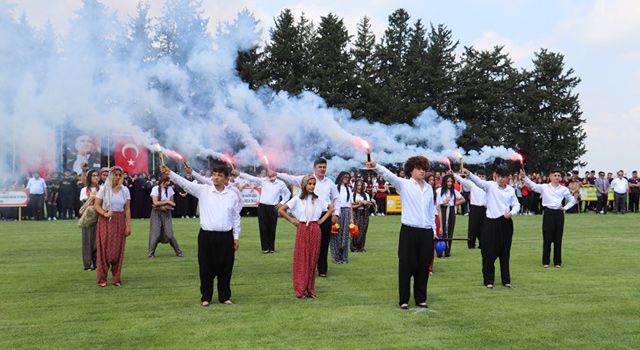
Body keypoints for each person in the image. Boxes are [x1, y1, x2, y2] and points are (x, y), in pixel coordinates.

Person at [161, 164, 240, 307]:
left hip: (226, 237)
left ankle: (224, 296)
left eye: (220, 175)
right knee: (205, 267)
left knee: (226, 268)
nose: (216, 177)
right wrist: (170, 173)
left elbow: (236, 217)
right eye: (214, 174)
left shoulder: (232, 195)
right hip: (206, 236)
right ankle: (206, 296)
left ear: (227, 179)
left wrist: (236, 236)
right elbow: (184, 184)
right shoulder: (203, 190)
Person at [366, 157, 436, 309]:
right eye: (419, 168)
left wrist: (434, 231)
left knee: (424, 266)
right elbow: (388, 175)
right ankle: (404, 299)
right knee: (406, 265)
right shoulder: (404, 184)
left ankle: (421, 298)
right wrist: (376, 165)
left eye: (424, 168)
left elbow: (432, 211)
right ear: (411, 170)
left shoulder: (429, 188)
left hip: (426, 232)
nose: (422, 171)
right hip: (409, 231)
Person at [278, 158, 339, 277]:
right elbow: (290, 178)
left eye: (324, 167)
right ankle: (308, 268)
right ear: (314, 168)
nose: (322, 169)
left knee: (324, 243)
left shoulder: (330, 182)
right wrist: (278, 174)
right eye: (320, 167)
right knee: (307, 245)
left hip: (324, 214)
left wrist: (336, 213)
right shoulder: (306, 179)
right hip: (308, 215)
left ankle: (322, 269)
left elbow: (336, 199)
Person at [463, 166, 520, 289]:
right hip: (491, 223)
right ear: (495, 177)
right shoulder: (490, 185)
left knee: (505, 253)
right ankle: (489, 280)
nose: (501, 179)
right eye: (498, 176)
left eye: (503, 177)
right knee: (488, 253)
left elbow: (516, 204)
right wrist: (469, 174)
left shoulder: (510, 190)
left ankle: (506, 280)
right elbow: (479, 182)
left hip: (506, 222)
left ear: (507, 178)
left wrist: (512, 213)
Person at [278, 176, 333, 298]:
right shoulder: (297, 199)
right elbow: (281, 210)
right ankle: (300, 289)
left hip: (315, 228)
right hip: (303, 228)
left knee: (313, 260)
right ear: (304, 185)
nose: (312, 186)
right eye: (309, 184)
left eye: (313, 184)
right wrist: (293, 221)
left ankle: (309, 289)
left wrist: (322, 220)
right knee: (302, 259)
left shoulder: (317, 199)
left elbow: (330, 208)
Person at [522, 169, 576, 268]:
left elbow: (572, 200)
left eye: (559, 175)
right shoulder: (544, 187)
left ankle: (557, 262)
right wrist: (525, 177)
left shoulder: (564, 189)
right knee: (547, 238)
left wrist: (565, 208)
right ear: (550, 177)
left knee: (558, 238)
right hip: (548, 213)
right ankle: (546, 261)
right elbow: (533, 186)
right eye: (555, 175)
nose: (557, 177)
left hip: (559, 214)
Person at [93, 167, 132, 287]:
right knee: (104, 250)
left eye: (120, 175)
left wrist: (128, 226)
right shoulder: (104, 189)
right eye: (116, 175)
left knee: (118, 250)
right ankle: (102, 278)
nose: (118, 177)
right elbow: (96, 205)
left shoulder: (125, 190)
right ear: (111, 176)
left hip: (119, 220)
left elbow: (127, 209)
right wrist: (104, 213)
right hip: (106, 221)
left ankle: (116, 277)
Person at [238, 170, 291, 253]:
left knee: (272, 227)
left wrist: (281, 203)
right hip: (262, 206)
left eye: (271, 173)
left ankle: (271, 247)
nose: (269, 175)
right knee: (263, 227)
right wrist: (239, 174)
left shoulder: (280, 183)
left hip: (273, 207)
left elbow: (288, 193)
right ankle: (265, 248)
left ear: (275, 173)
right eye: (268, 174)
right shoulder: (263, 181)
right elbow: (251, 178)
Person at [148, 175, 183, 258]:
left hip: (167, 213)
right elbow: (155, 202)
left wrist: (164, 205)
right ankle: (151, 253)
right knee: (155, 234)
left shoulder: (170, 189)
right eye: (166, 181)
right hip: (156, 213)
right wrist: (166, 202)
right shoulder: (155, 189)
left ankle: (178, 252)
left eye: (168, 182)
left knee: (170, 234)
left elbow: (172, 204)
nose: (168, 183)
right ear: (162, 181)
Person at [455, 171, 487, 249]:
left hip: (484, 208)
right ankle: (471, 244)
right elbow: (462, 181)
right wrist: (454, 175)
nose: (481, 177)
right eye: (479, 176)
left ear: (485, 177)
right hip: (474, 207)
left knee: (483, 227)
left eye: (482, 176)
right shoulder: (472, 184)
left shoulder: (487, 185)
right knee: (472, 227)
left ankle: (483, 244)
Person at [436, 174, 465, 257]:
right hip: (442, 210)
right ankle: (440, 250)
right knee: (442, 230)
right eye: (448, 181)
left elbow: (463, 199)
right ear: (444, 181)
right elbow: (437, 204)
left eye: (451, 182)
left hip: (451, 211)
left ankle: (448, 251)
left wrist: (454, 204)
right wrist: (445, 201)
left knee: (450, 231)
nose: (449, 183)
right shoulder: (439, 191)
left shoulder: (454, 191)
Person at [80, 170, 101, 270]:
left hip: (99, 216)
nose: (96, 177)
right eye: (93, 176)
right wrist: (92, 197)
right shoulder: (84, 190)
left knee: (97, 242)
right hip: (88, 217)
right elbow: (84, 202)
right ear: (89, 177)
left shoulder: (102, 188)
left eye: (97, 176)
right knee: (87, 241)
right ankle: (87, 265)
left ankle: (97, 263)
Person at [331, 172, 354, 264]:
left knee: (345, 236)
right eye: (345, 177)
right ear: (341, 177)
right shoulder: (335, 187)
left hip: (347, 212)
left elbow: (350, 204)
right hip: (337, 212)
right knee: (336, 234)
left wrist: (352, 218)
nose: (347, 179)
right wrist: (333, 214)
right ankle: (336, 257)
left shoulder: (349, 189)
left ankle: (344, 257)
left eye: (348, 177)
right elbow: (332, 201)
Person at [351, 180, 375, 252]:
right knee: (355, 230)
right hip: (356, 213)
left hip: (365, 213)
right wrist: (360, 204)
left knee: (364, 230)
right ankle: (354, 247)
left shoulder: (366, 195)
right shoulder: (353, 194)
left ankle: (361, 247)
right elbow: (351, 206)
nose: (359, 187)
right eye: (358, 185)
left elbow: (370, 204)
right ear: (355, 186)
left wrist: (366, 202)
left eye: (361, 185)